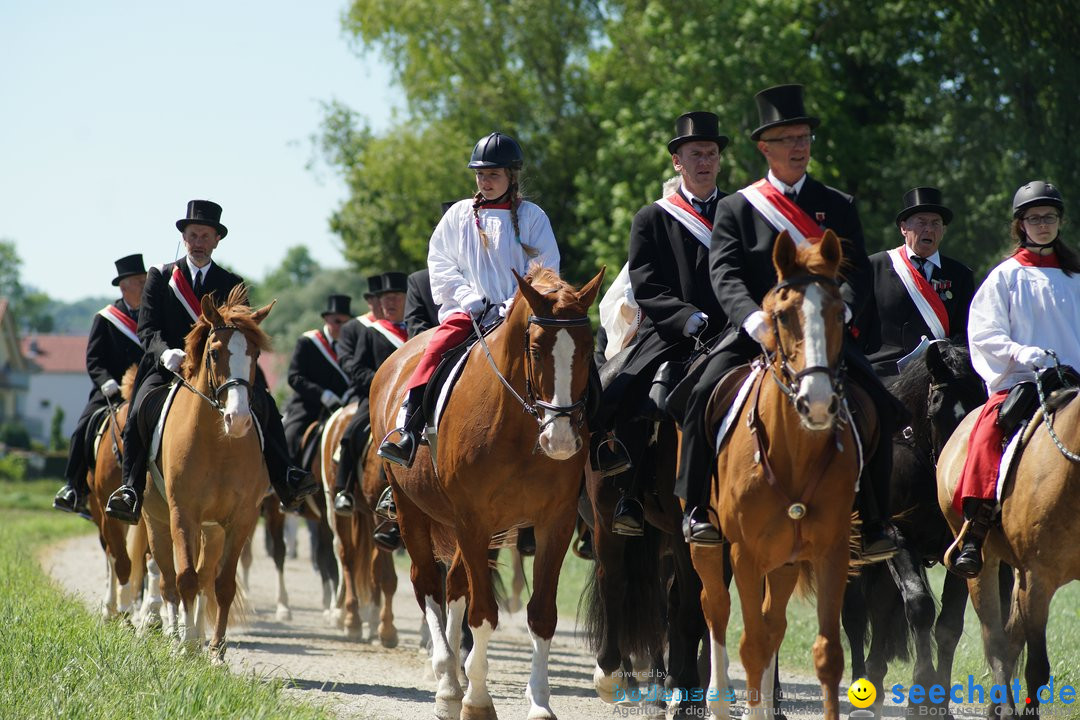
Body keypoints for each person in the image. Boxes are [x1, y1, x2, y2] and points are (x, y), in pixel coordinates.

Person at [675, 84, 902, 558]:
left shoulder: (838, 205)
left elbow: (855, 271)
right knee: (699, 396)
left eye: (804, 138)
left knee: (882, 403)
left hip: (820, 336)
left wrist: (838, 318)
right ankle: (696, 508)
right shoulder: (739, 207)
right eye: (787, 140)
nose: (799, 148)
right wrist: (752, 318)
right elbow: (726, 271)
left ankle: (877, 521)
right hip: (759, 332)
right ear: (765, 148)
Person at [104, 200, 319, 523]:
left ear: (217, 240)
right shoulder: (161, 277)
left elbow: (243, 330)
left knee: (265, 404)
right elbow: (147, 328)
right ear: (184, 237)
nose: (199, 242)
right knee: (138, 411)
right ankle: (131, 490)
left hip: (222, 367)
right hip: (169, 366)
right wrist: (165, 353)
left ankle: (284, 476)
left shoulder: (232, 282)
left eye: (206, 236)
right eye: (193, 235)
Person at [377, 132, 561, 468]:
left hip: (520, 315)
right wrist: (466, 297)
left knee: (571, 353)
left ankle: (598, 439)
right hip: (470, 312)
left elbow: (545, 271)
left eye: (493, 174)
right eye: (480, 174)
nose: (485, 181)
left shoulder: (534, 217)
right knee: (434, 349)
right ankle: (408, 425)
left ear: (511, 176)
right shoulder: (459, 214)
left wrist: (515, 303)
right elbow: (441, 262)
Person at [592, 111, 729, 536]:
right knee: (633, 394)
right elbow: (646, 285)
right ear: (677, 162)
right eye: (695, 154)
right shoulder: (651, 218)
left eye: (710, 154)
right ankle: (631, 492)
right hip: (671, 332)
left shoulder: (740, 212)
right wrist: (686, 318)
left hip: (733, 329)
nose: (704, 161)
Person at [949, 181, 1080, 577]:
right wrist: (1022, 353)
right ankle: (976, 529)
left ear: (1059, 221)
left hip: (1076, 382)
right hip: (1026, 379)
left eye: (1050, 217)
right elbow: (984, 334)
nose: (1043, 225)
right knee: (989, 431)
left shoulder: (1076, 277)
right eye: (1034, 218)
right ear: (1020, 224)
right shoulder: (1004, 277)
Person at [52, 254, 148, 517]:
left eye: (145, 280)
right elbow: (93, 358)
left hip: (147, 388)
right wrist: (106, 381)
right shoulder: (106, 319)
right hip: (112, 391)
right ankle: (74, 488)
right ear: (123, 286)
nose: (144, 285)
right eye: (139, 281)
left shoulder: (153, 316)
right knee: (83, 427)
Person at [858, 187, 975, 377]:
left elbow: (964, 333)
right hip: (885, 373)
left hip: (940, 375)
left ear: (943, 230)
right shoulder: (875, 267)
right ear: (904, 228)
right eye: (921, 222)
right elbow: (859, 327)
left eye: (935, 223)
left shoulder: (960, 275)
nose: (929, 229)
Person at [332, 272, 408, 520]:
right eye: (385, 298)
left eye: (395, 296)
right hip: (378, 399)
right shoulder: (372, 332)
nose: (389, 302)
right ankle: (344, 489)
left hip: (413, 397)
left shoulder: (420, 329)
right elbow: (359, 368)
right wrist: (382, 385)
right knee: (352, 433)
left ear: (408, 298)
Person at [281, 295, 352, 472]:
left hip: (345, 405)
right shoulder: (308, 342)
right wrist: (323, 395)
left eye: (345, 323)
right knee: (291, 436)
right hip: (309, 406)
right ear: (326, 319)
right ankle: (289, 481)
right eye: (337, 321)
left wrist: (349, 394)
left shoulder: (351, 345)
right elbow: (295, 377)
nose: (341, 327)